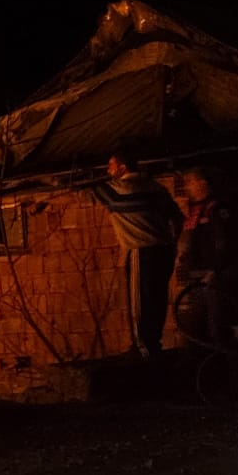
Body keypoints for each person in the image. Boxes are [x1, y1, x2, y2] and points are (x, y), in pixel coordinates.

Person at [87, 142, 183, 357]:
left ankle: (142, 347)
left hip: (141, 250)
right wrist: (171, 241)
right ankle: (153, 343)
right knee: (157, 297)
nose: (108, 171)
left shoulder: (119, 191)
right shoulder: (157, 189)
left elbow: (90, 190)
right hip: (164, 251)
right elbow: (177, 218)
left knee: (139, 299)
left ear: (122, 168)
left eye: (111, 166)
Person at [175, 169, 230, 346]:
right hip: (196, 277)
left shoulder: (214, 208)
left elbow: (224, 241)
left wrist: (214, 270)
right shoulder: (195, 210)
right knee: (195, 329)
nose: (186, 186)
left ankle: (226, 365)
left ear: (202, 183)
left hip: (211, 278)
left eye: (190, 181)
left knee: (217, 328)